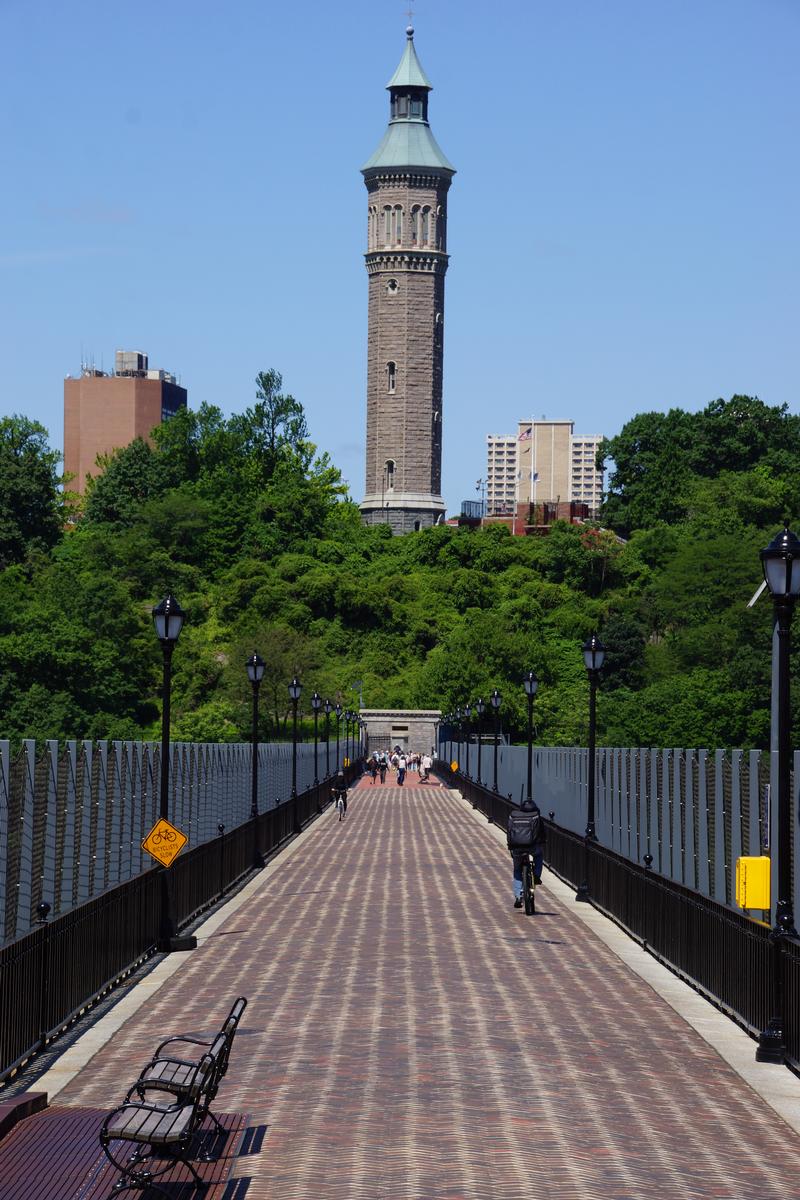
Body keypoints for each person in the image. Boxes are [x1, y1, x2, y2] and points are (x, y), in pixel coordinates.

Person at [506, 797, 545, 908]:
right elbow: (542, 834)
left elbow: (509, 832)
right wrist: (543, 842)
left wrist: (510, 846)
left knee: (517, 869)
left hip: (517, 847)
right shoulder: (536, 817)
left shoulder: (514, 816)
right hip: (532, 847)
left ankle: (518, 895)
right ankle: (536, 876)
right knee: (539, 855)